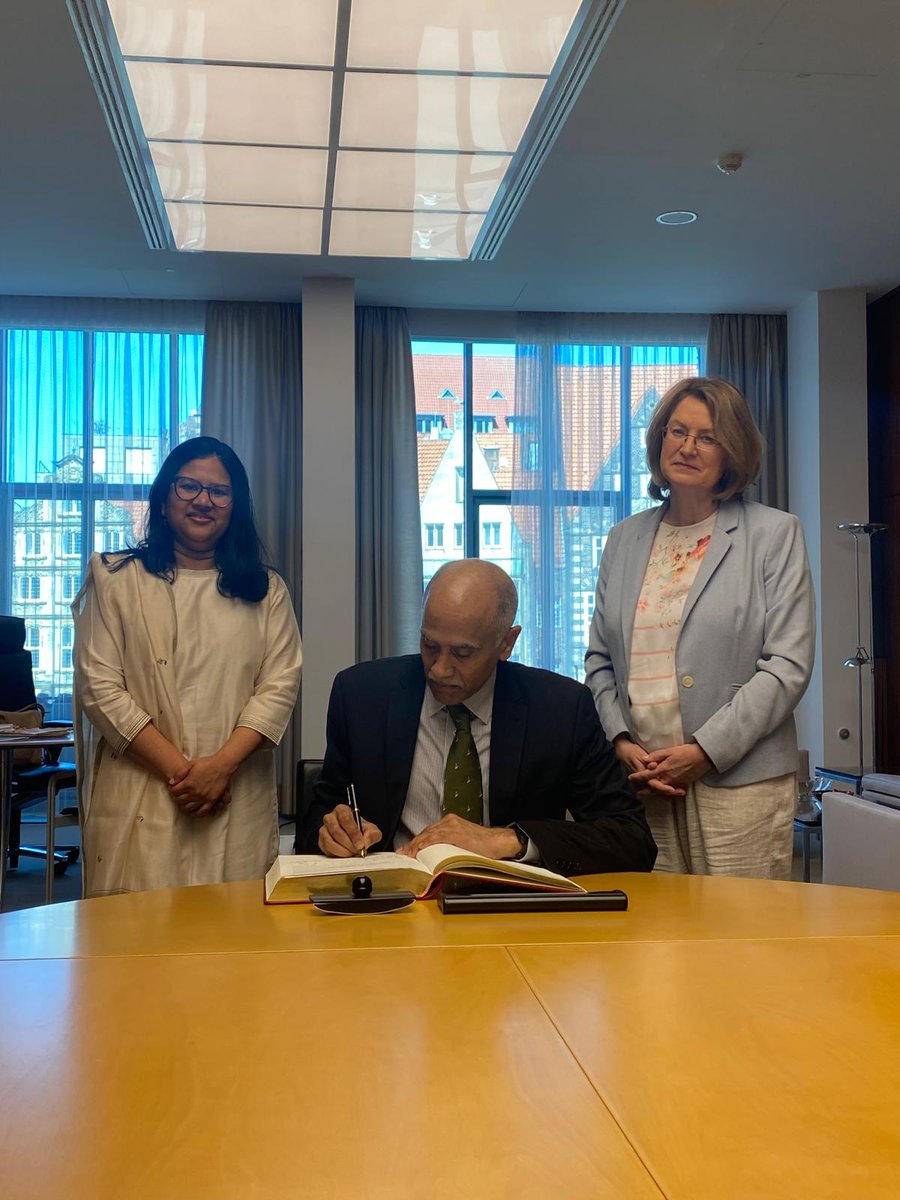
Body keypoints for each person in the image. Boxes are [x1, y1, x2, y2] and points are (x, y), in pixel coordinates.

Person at [585, 377, 814, 879]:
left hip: (739, 784)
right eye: (677, 431)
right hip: (644, 783)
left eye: (707, 437)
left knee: (738, 945)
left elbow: (787, 667)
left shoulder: (774, 534)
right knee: (657, 946)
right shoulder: (624, 539)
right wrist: (620, 741)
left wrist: (705, 751)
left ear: (732, 451)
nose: (687, 447)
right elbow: (599, 659)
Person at [303, 559, 656, 877]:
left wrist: (508, 841)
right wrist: (332, 830)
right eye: (429, 645)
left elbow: (631, 838)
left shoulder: (560, 709)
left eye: (462, 652)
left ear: (506, 643)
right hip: (393, 904)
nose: (439, 670)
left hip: (510, 909)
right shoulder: (363, 696)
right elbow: (320, 813)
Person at [72, 436, 302, 897]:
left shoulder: (265, 590)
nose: (203, 500)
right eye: (188, 486)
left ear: (236, 505)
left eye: (219, 491)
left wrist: (220, 769)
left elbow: (279, 687)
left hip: (235, 794)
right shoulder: (116, 580)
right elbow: (100, 688)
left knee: (232, 943)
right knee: (136, 945)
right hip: (144, 790)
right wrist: (187, 775)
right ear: (163, 496)